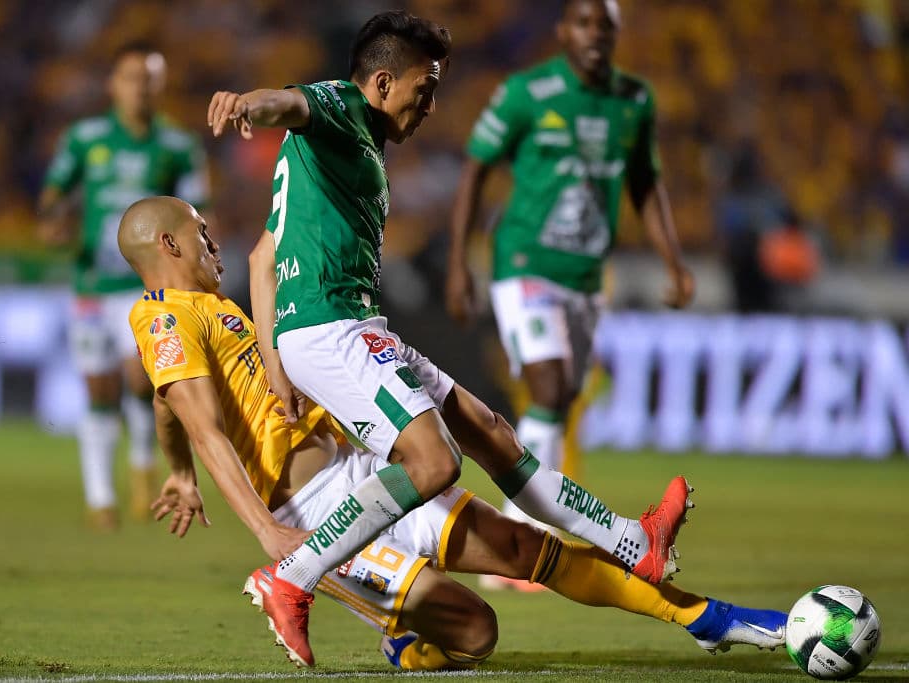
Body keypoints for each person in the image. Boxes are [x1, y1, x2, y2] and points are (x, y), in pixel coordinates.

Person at [119, 195, 787, 671]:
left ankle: (705, 617)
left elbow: (169, 409)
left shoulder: (213, 310)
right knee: (476, 631)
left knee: (529, 549)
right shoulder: (163, 315)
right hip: (310, 514)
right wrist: (268, 534)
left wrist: (177, 472)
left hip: (362, 474)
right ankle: (309, 584)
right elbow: (201, 421)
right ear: (170, 244)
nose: (215, 247)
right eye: (202, 235)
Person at [208, 9, 692, 664]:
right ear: (381, 84)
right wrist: (252, 104)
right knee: (434, 463)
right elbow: (291, 103)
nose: (431, 105)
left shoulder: (336, 155)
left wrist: (274, 364)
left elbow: (264, 257)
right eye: (423, 88)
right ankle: (291, 577)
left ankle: (637, 542)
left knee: (491, 431)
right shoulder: (343, 107)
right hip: (330, 329)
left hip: (348, 328)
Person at [445, 0, 696, 578]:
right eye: (583, 23)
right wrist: (458, 264)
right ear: (563, 31)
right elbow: (475, 168)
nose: (594, 35)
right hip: (525, 262)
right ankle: (519, 541)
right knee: (552, 388)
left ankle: (517, 535)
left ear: (616, 34)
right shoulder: (526, 94)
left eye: (604, 26)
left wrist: (674, 262)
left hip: (586, 276)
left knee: (562, 399)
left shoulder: (634, 101)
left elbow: (645, 184)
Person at [38, 41, 211, 530]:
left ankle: (141, 462)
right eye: (131, 76)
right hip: (93, 283)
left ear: (160, 85)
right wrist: (53, 220)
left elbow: (200, 214)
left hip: (147, 285)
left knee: (142, 379)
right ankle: (100, 498)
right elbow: (53, 197)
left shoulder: (178, 146)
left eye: (149, 77)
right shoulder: (84, 139)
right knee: (98, 387)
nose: (140, 86)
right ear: (113, 84)